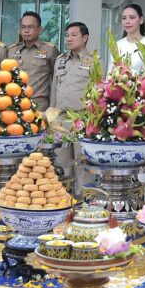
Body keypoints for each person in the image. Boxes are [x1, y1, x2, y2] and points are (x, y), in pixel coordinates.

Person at [52, 22, 93, 194]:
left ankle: (85, 201)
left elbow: (98, 92)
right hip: (60, 120)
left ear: (85, 37)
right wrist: (52, 117)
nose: (69, 39)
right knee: (62, 163)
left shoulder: (94, 61)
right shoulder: (60, 60)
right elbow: (54, 89)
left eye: (74, 35)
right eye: (67, 35)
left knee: (83, 163)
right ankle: (64, 200)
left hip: (82, 119)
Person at [6, 11, 58, 112]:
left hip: (39, 105)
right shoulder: (12, 50)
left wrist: (53, 107)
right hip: (15, 104)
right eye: (23, 27)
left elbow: (56, 81)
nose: (26, 31)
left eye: (30, 27)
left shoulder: (50, 50)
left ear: (40, 29)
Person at [109, 3, 145, 75]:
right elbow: (109, 74)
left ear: (141, 20)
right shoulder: (116, 45)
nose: (127, 22)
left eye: (132, 17)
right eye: (124, 18)